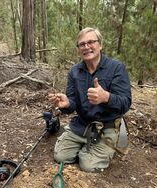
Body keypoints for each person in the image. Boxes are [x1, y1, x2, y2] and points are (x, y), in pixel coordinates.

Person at [49, 27, 132, 172]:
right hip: (82, 124)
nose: (86, 47)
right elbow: (72, 104)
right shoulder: (74, 71)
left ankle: (101, 147)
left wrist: (106, 97)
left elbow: (125, 103)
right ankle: (86, 147)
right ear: (78, 49)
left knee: (87, 165)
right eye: (82, 44)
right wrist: (67, 103)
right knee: (60, 157)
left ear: (100, 44)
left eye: (91, 42)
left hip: (106, 127)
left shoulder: (116, 68)